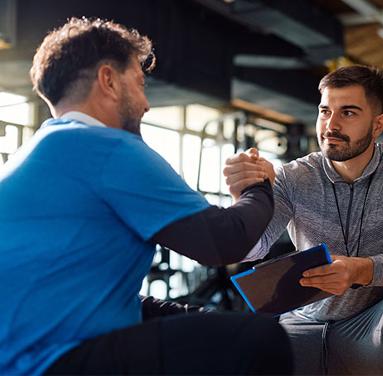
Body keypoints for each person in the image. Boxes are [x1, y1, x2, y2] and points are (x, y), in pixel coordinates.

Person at [0, 18, 292, 375]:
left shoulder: (43, 153)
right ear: (108, 80)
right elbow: (223, 241)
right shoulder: (103, 147)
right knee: (259, 340)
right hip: (49, 362)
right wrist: (258, 185)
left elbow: (90, 291)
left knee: (210, 331)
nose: (146, 104)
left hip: (25, 356)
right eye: (140, 84)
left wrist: (188, 315)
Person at [224, 65, 383, 375]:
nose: (331, 125)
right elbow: (251, 249)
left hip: (371, 329)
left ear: (378, 124)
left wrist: (361, 269)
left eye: (349, 113)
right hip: (303, 323)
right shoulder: (292, 177)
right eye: (325, 111)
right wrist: (245, 200)